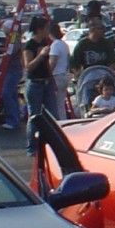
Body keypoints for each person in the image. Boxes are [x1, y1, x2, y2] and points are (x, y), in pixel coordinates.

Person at [21, 15, 55, 149]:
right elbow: (28, 66)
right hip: (35, 84)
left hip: (47, 82)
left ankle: (50, 144)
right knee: (34, 116)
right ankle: (32, 147)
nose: (48, 31)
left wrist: (52, 78)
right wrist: (40, 55)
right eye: (47, 28)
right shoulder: (30, 45)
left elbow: (47, 64)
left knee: (52, 115)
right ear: (39, 29)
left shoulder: (44, 43)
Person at [48, 22, 71, 120]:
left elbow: (52, 62)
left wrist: (47, 72)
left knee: (54, 104)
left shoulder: (55, 45)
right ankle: (63, 121)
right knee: (61, 104)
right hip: (63, 75)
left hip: (56, 76)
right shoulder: (64, 44)